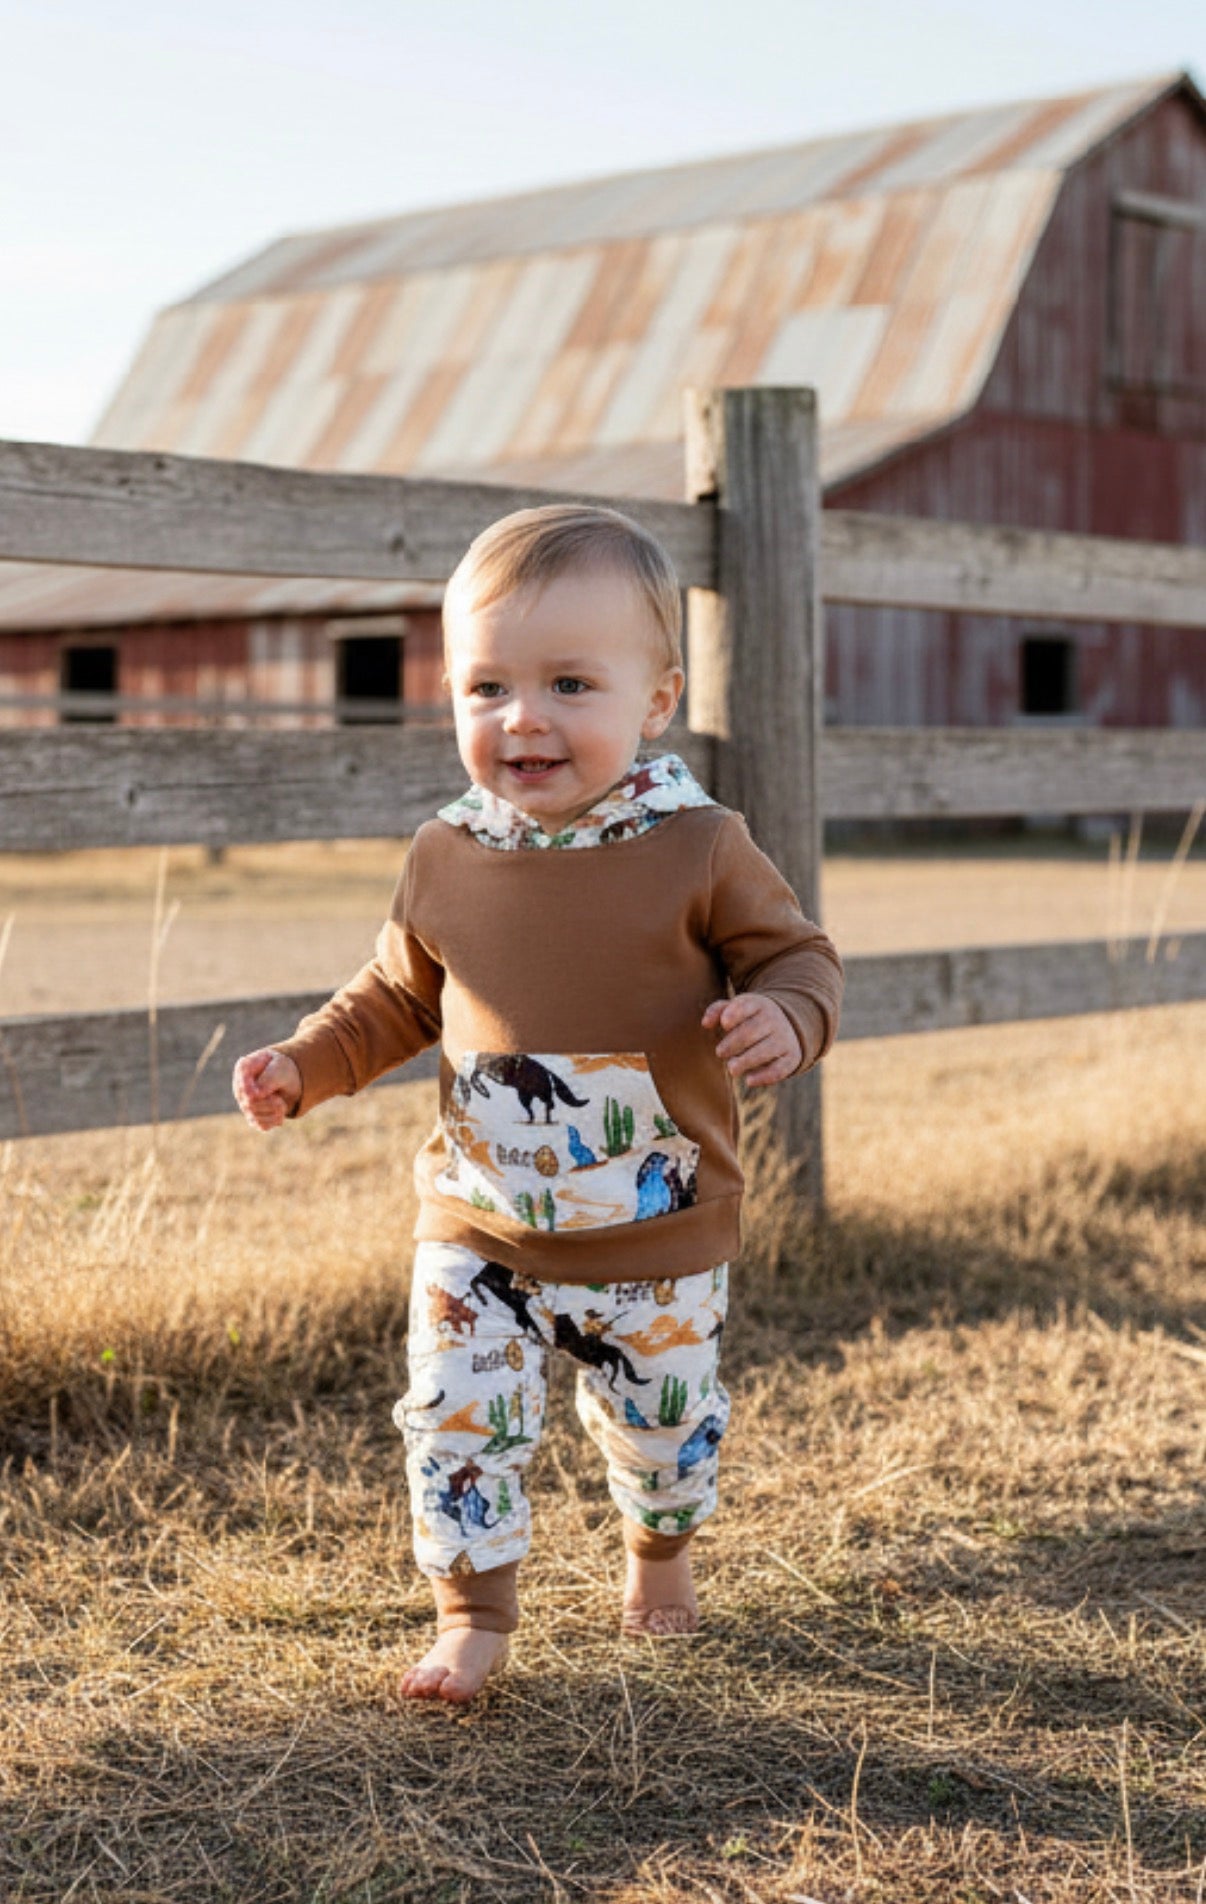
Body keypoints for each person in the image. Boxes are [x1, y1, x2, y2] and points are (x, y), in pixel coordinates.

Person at [232, 504, 844, 1704]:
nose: (525, 718)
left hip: (653, 1229)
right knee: (456, 1420)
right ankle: (473, 1610)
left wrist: (787, 1013)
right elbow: (394, 999)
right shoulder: (446, 851)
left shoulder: (700, 843)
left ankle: (659, 1553)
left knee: (664, 1429)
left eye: (571, 681)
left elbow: (802, 958)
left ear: (656, 699)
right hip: (480, 1227)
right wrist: (308, 1061)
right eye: (488, 685)